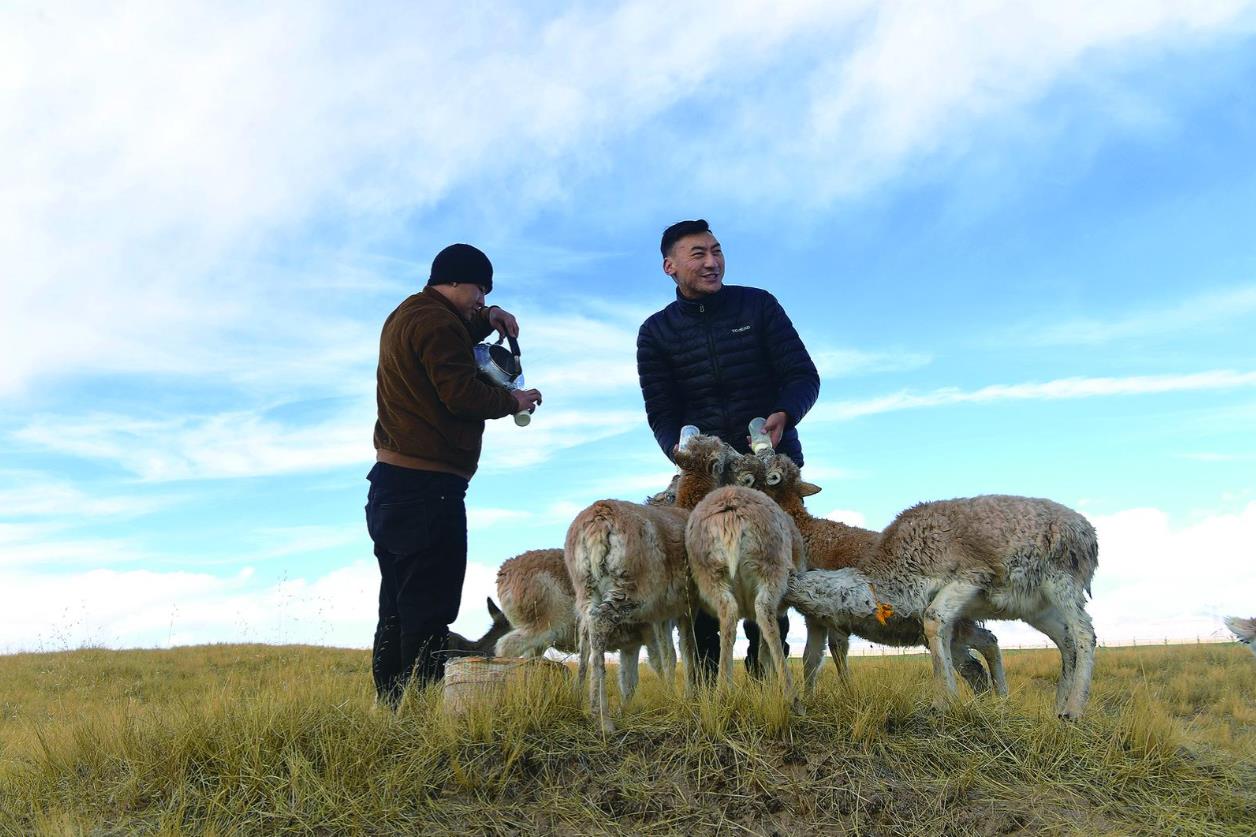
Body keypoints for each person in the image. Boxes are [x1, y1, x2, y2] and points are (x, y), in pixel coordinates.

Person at [636, 219, 820, 679]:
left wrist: (785, 413)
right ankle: (703, 693)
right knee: (702, 576)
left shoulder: (758, 305)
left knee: (770, 573)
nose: (712, 262)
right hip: (705, 473)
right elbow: (661, 411)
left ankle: (768, 683)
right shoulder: (655, 333)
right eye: (698, 254)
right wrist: (681, 452)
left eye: (716, 251)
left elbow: (802, 375)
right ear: (670, 266)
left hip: (769, 464)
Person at [366, 243, 542, 708]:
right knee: (429, 609)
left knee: (398, 609)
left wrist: (489, 318)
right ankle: (422, 712)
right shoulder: (437, 322)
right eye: (480, 291)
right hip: (428, 490)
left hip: (395, 486)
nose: (481, 301)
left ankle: (392, 710)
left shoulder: (411, 314)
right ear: (459, 281)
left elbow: (458, 334)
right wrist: (513, 402)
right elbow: (460, 393)